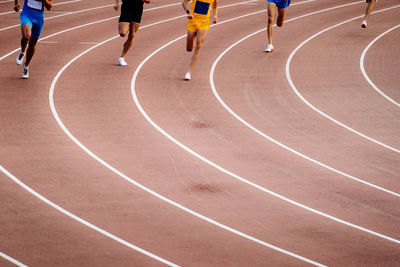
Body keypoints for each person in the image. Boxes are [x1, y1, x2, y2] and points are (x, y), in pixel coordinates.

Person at [14, 0, 53, 79]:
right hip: (27, 14)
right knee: (27, 36)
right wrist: (16, 3)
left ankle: (26, 66)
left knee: (32, 44)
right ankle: (22, 52)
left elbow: (49, 7)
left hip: (38, 19)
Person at [182, 0, 218, 81]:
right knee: (189, 49)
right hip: (193, 20)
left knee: (199, 46)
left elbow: (215, 6)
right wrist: (188, 12)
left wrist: (215, 16)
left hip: (204, 22)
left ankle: (189, 72)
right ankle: (193, 36)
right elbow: (184, 3)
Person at [114, 0, 150, 66]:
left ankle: (122, 57)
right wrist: (117, 3)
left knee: (132, 35)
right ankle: (126, 44)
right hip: (126, 9)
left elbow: (148, 1)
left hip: (137, 11)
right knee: (122, 33)